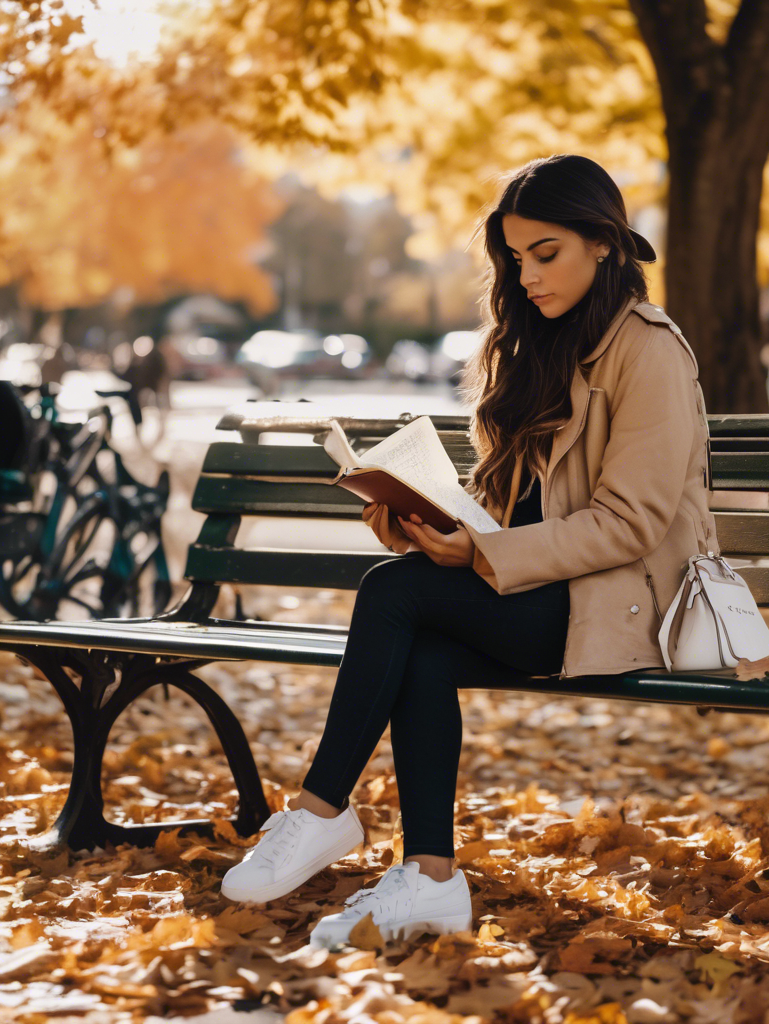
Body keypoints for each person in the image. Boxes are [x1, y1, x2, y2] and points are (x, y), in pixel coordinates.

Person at [219, 154, 720, 949]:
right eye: (515, 258)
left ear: (603, 243)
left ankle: (321, 812)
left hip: (617, 602)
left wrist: (479, 560)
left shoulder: (647, 351)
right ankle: (432, 881)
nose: (526, 276)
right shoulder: (533, 347)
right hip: (538, 591)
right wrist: (418, 520)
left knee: (395, 596)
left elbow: (631, 523)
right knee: (417, 640)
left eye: (544, 253)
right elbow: (505, 509)